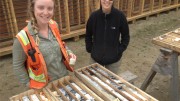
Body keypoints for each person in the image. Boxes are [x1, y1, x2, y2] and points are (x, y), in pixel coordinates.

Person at [13, 0, 76, 89]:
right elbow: (17, 66)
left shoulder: (54, 25)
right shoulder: (22, 38)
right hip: (45, 87)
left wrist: (69, 52)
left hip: (64, 79)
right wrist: (30, 85)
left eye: (50, 8)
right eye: (41, 7)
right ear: (32, 8)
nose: (46, 12)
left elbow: (61, 45)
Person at [85, 0, 130, 74]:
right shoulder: (94, 16)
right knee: (94, 82)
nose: (107, 1)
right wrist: (90, 49)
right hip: (95, 60)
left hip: (114, 61)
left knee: (111, 84)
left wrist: (119, 51)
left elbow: (126, 36)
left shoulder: (120, 16)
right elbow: (88, 35)